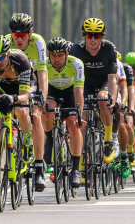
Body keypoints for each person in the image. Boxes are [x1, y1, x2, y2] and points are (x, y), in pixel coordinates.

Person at [0, 35, 37, 195]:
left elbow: (25, 96)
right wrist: (2, 99)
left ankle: (27, 143)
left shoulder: (21, 61)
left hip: (23, 88)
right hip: (3, 90)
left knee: (21, 110)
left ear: (7, 54)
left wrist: (13, 99)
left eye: (0, 57)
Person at [6, 13, 48, 191]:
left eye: (23, 36)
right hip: (13, 80)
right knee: (14, 110)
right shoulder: (6, 42)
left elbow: (43, 74)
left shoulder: (38, 42)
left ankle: (39, 166)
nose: (19, 40)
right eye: (16, 36)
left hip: (32, 80)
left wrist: (43, 97)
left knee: (36, 115)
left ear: (30, 34)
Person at [69, 17, 119, 163]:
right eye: (89, 35)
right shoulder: (75, 50)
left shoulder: (109, 49)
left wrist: (113, 100)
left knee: (103, 98)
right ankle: (83, 155)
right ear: (84, 36)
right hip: (85, 83)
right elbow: (73, 78)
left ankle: (108, 139)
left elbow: (112, 79)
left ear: (102, 37)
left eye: (96, 36)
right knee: (83, 117)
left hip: (104, 82)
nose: (92, 39)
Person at [41, 37, 85, 189]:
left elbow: (79, 91)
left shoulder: (76, 64)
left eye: (60, 55)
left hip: (70, 93)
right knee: (46, 112)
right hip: (52, 91)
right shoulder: (44, 65)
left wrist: (79, 113)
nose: (56, 59)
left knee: (73, 126)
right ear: (49, 56)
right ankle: (49, 140)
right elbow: (42, 89)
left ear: (66, 54)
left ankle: (75, 169)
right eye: (53, 55)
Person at [124, 52, 135, 169]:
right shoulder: (122, 70)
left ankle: (132, 152)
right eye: (130, 66)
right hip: (125, 98)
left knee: (130, 125)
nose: (133, 70)